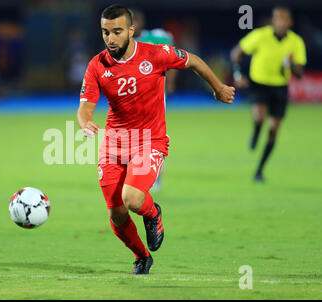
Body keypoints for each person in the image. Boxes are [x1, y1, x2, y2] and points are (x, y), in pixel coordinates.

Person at [77, 5, 234, 274]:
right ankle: (142, 257)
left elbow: (193, 60)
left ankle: (153, 213)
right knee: (116, 213)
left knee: (133, 200)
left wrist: (218, 88)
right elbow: (85, 107)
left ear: (131, 30)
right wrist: (84, 122)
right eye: (105, 32)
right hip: (114, 144)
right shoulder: (97, 65)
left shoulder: (155, 54)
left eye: (116, 32)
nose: (110, 38)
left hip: (150, 140)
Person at [230, 6, 306, 182]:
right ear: (273, 21)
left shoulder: (296, 42)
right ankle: (256, 131)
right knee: (259, 117)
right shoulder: (260, 35)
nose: (280, 22)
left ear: (290, 22)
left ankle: (259, 170)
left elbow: (300, 74)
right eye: (277, 18)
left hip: (280, 87)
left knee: (273, 131)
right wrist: (237, 74)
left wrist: (291, 65)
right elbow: (236, 53)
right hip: (259, 84)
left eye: (284, 18)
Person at [132, 9, 177, 192]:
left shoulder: (156, 38)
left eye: (137, 20)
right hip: (131, 97)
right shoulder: (122, 44)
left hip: (155, 96)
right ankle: (137, 176)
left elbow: (172, 60)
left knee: (153, 137)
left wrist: (171, 83)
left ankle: (156, 176)